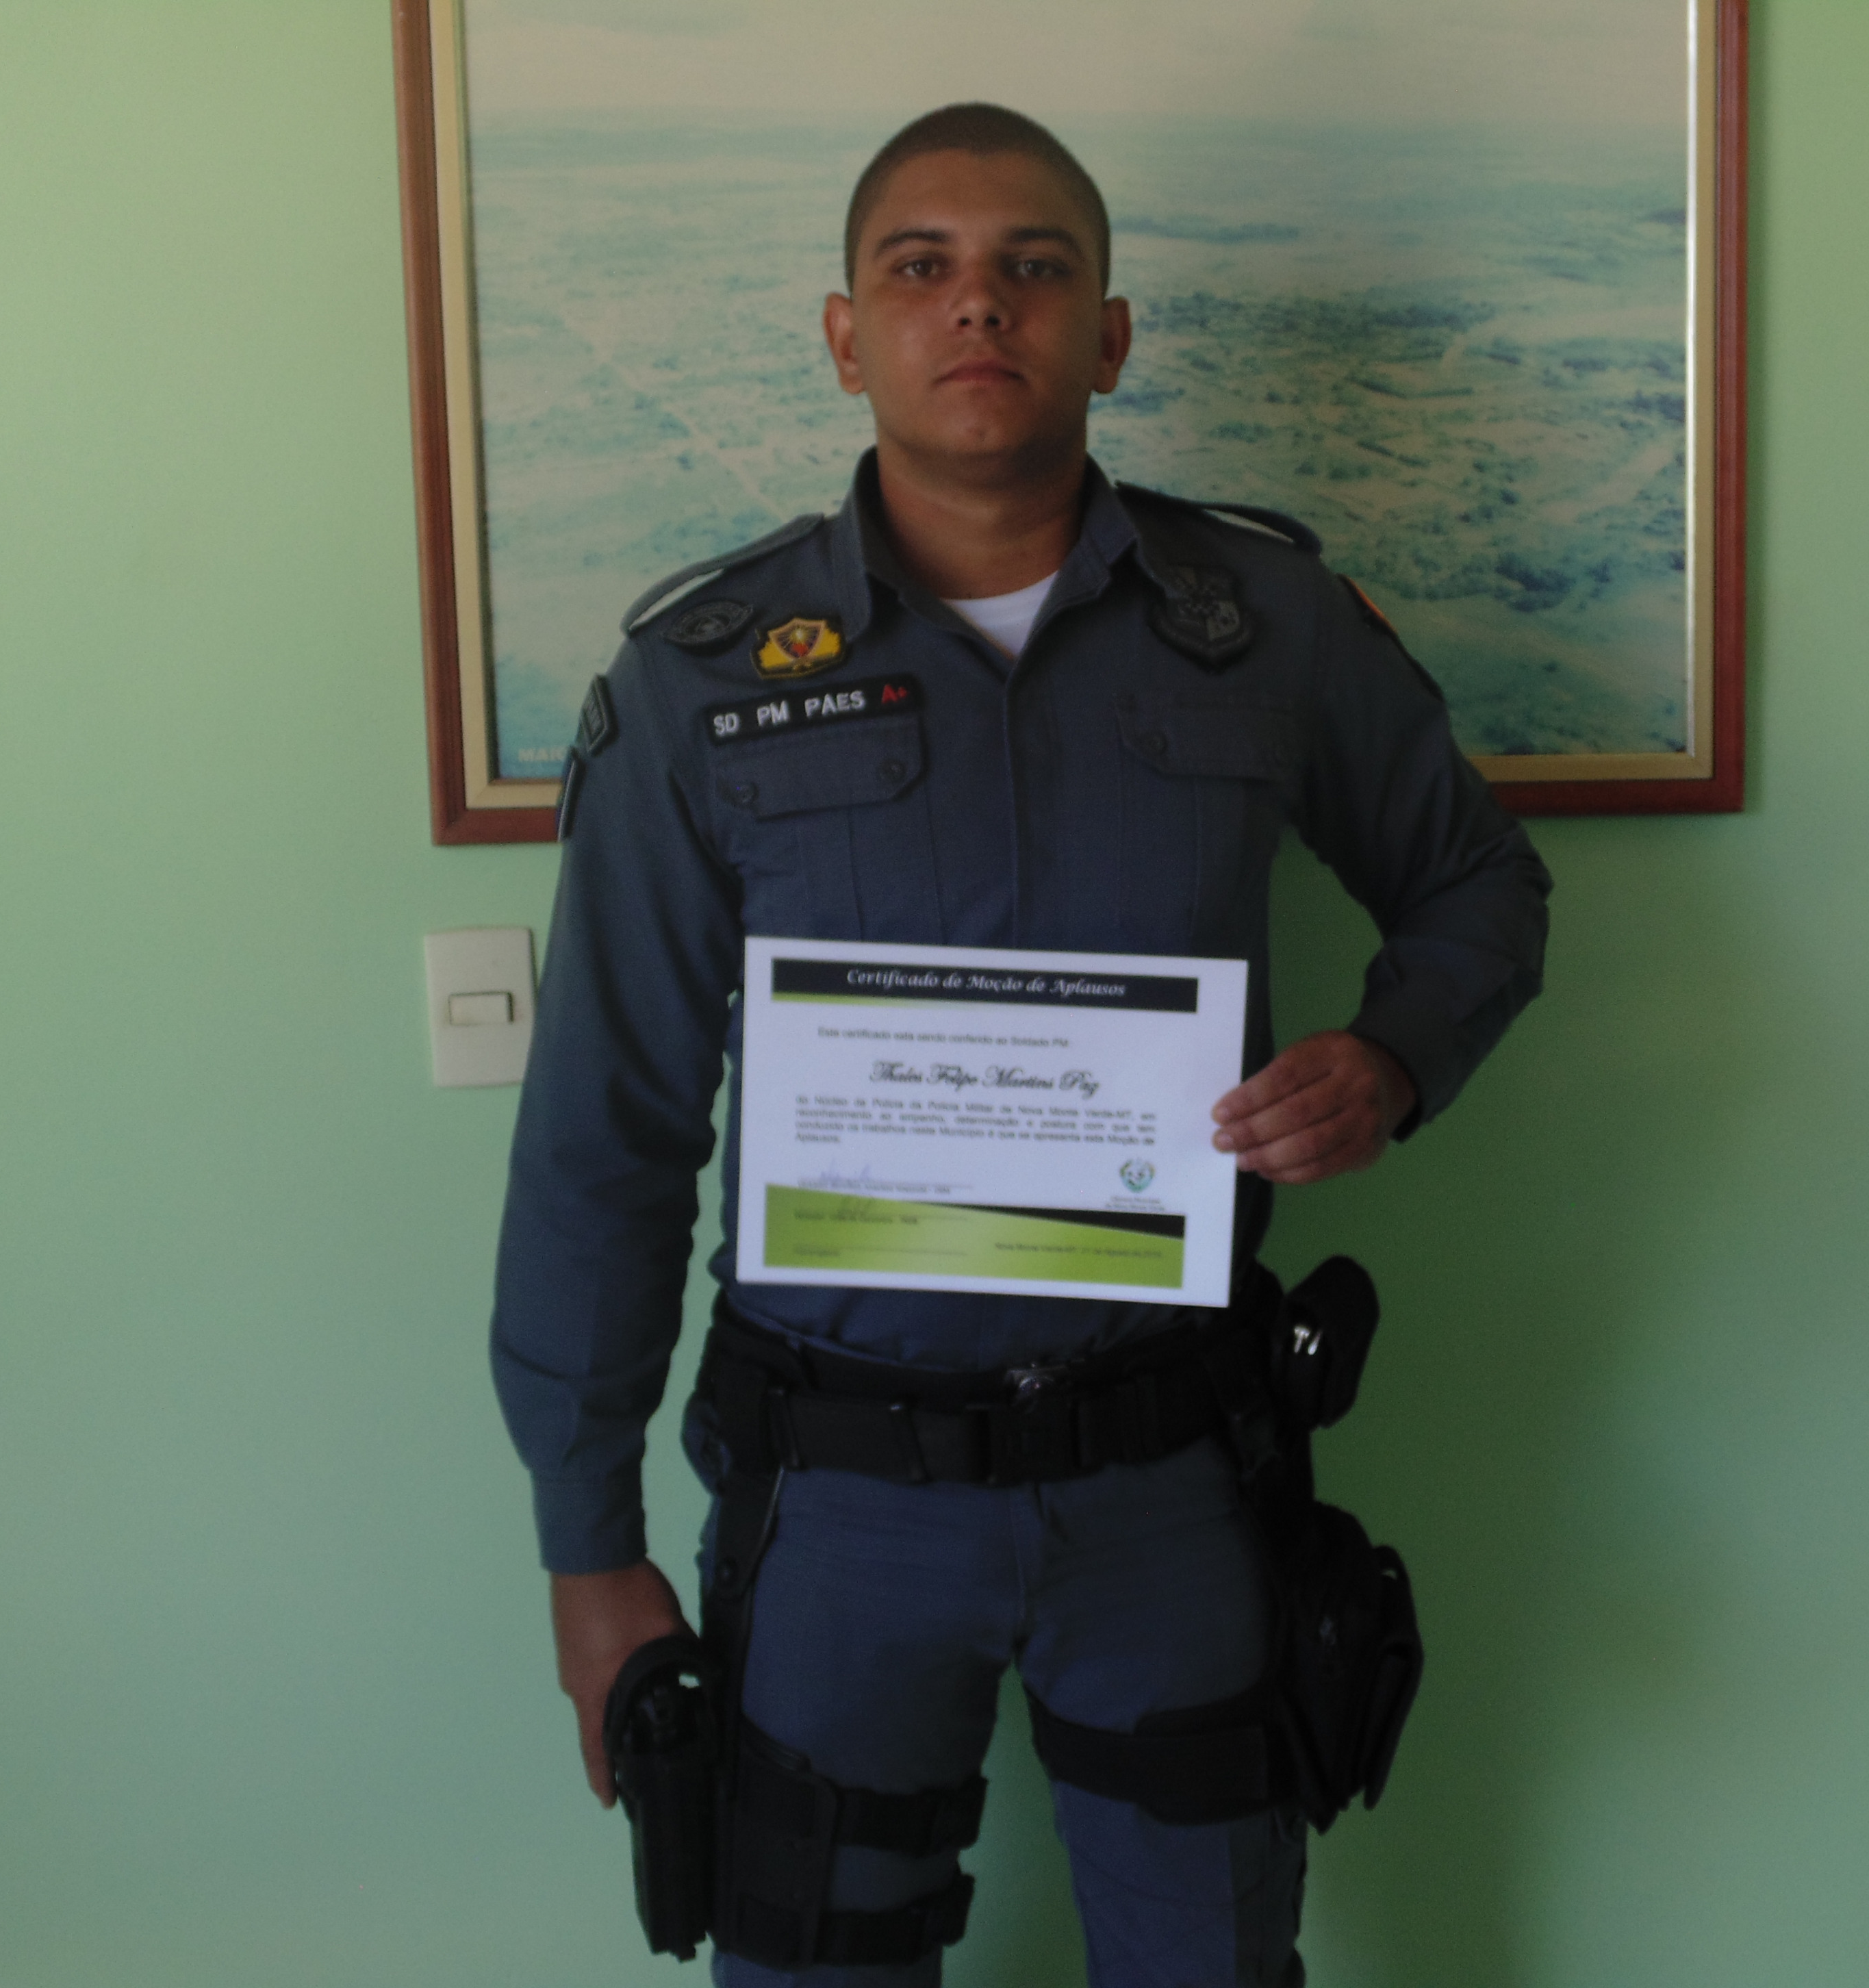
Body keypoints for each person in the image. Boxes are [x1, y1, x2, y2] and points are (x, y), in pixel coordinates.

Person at [492, 102, 1551, 1988]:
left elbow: (1478, 887)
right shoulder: (702, 682)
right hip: (838, 1505)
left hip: (1169, 1485)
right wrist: (590, 1550)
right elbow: (607, 1134)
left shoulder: (1266, 627)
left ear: (1110, 335)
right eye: (922, 268)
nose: (978, 305)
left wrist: (1390, 1062)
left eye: (1033, 269)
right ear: (847, 336)